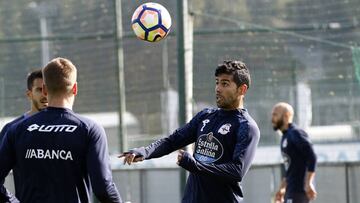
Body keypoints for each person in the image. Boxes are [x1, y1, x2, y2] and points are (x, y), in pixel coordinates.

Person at [120, 60, 260, 203]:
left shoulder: (247, 126)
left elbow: (236, 171)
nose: (218, 88)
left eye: (225, 84)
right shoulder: (205, 116)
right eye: (217, 82)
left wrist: (195, 166)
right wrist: (144, 151)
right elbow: (172, 141)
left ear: (242, 89)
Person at [0, 58, 122, 203]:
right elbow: (103, 188)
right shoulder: (89, 129)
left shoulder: (17, 130)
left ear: (45, 90)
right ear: (75, 88)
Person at [0, 69, 48, 203]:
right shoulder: (12, 130)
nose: (45, 95)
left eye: (48, 89)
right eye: (39, 90)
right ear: (29, 94)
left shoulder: (68, 128)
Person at [271, 102, 317, 203]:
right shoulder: (285, 136)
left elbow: (312, 156)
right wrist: (282, 188)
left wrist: (308, 183)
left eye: (275, 114)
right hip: (291, 191)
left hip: (299, 192)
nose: (272, 118)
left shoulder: (295, 133)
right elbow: (291, 168)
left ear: (286, 116)